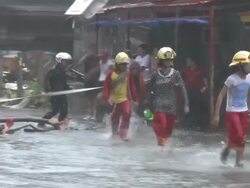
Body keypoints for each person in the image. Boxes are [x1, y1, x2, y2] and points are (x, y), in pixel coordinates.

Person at [145, 47, 189, 146]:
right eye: (166, 60)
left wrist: (186, 104)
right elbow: (149, 88)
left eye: (170, 60)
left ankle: (162, 148)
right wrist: (147, 100)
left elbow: (183, 88)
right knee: (162, 125)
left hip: (171, 107)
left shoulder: (176, 74)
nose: (168, 62)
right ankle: (162, 145)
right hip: (159, 105)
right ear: (161, 61)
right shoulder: (155, 75)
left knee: (168, 132)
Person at [213, 51, 250, 167]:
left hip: (244, 111)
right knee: (238, 135)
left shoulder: (249, 78)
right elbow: (221, 95)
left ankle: (237, 161)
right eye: (247, 65)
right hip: (232, 111)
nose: (249, 67)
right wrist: (216, 114)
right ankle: (228, 148)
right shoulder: (232, 79)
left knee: (242, 137)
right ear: (240, 66)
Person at [103, 52, 142, 141]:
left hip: (125, 99)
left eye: (126, 64)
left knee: (127, 112)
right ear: (117, 64)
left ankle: (123, 132)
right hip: (115, 100)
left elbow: (132, 87)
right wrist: (107, 98)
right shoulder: (111, 74)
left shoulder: (129, 74)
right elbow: (106, 87)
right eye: (122, 64)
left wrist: (135, 99)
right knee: (114, 117)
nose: (124, 66)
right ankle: (114, 133)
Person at [38, 52, 72, 128]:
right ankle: (41, 122)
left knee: (64, 111)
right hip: (55, 95)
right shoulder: (53, 70)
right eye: (64, 61)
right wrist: (49, 90)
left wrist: (68, 88)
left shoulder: (63, 72)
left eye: (67, 62)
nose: (66, 63)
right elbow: (46, 82)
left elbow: (63, 83)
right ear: (59, 61)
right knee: (54, 111)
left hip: (62, 94)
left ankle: (60, 124)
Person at [181, 57, 208, 130]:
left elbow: (205, 83)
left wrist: (204, 88)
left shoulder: (200, 70)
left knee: (197, 109)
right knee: (188, 107)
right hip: (188, 91)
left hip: (198, 91)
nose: (187, 62)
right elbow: (180, 79)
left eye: (188, 61)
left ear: (193, 61)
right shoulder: (185, 70)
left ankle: (196, 125)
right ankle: (188, 124)